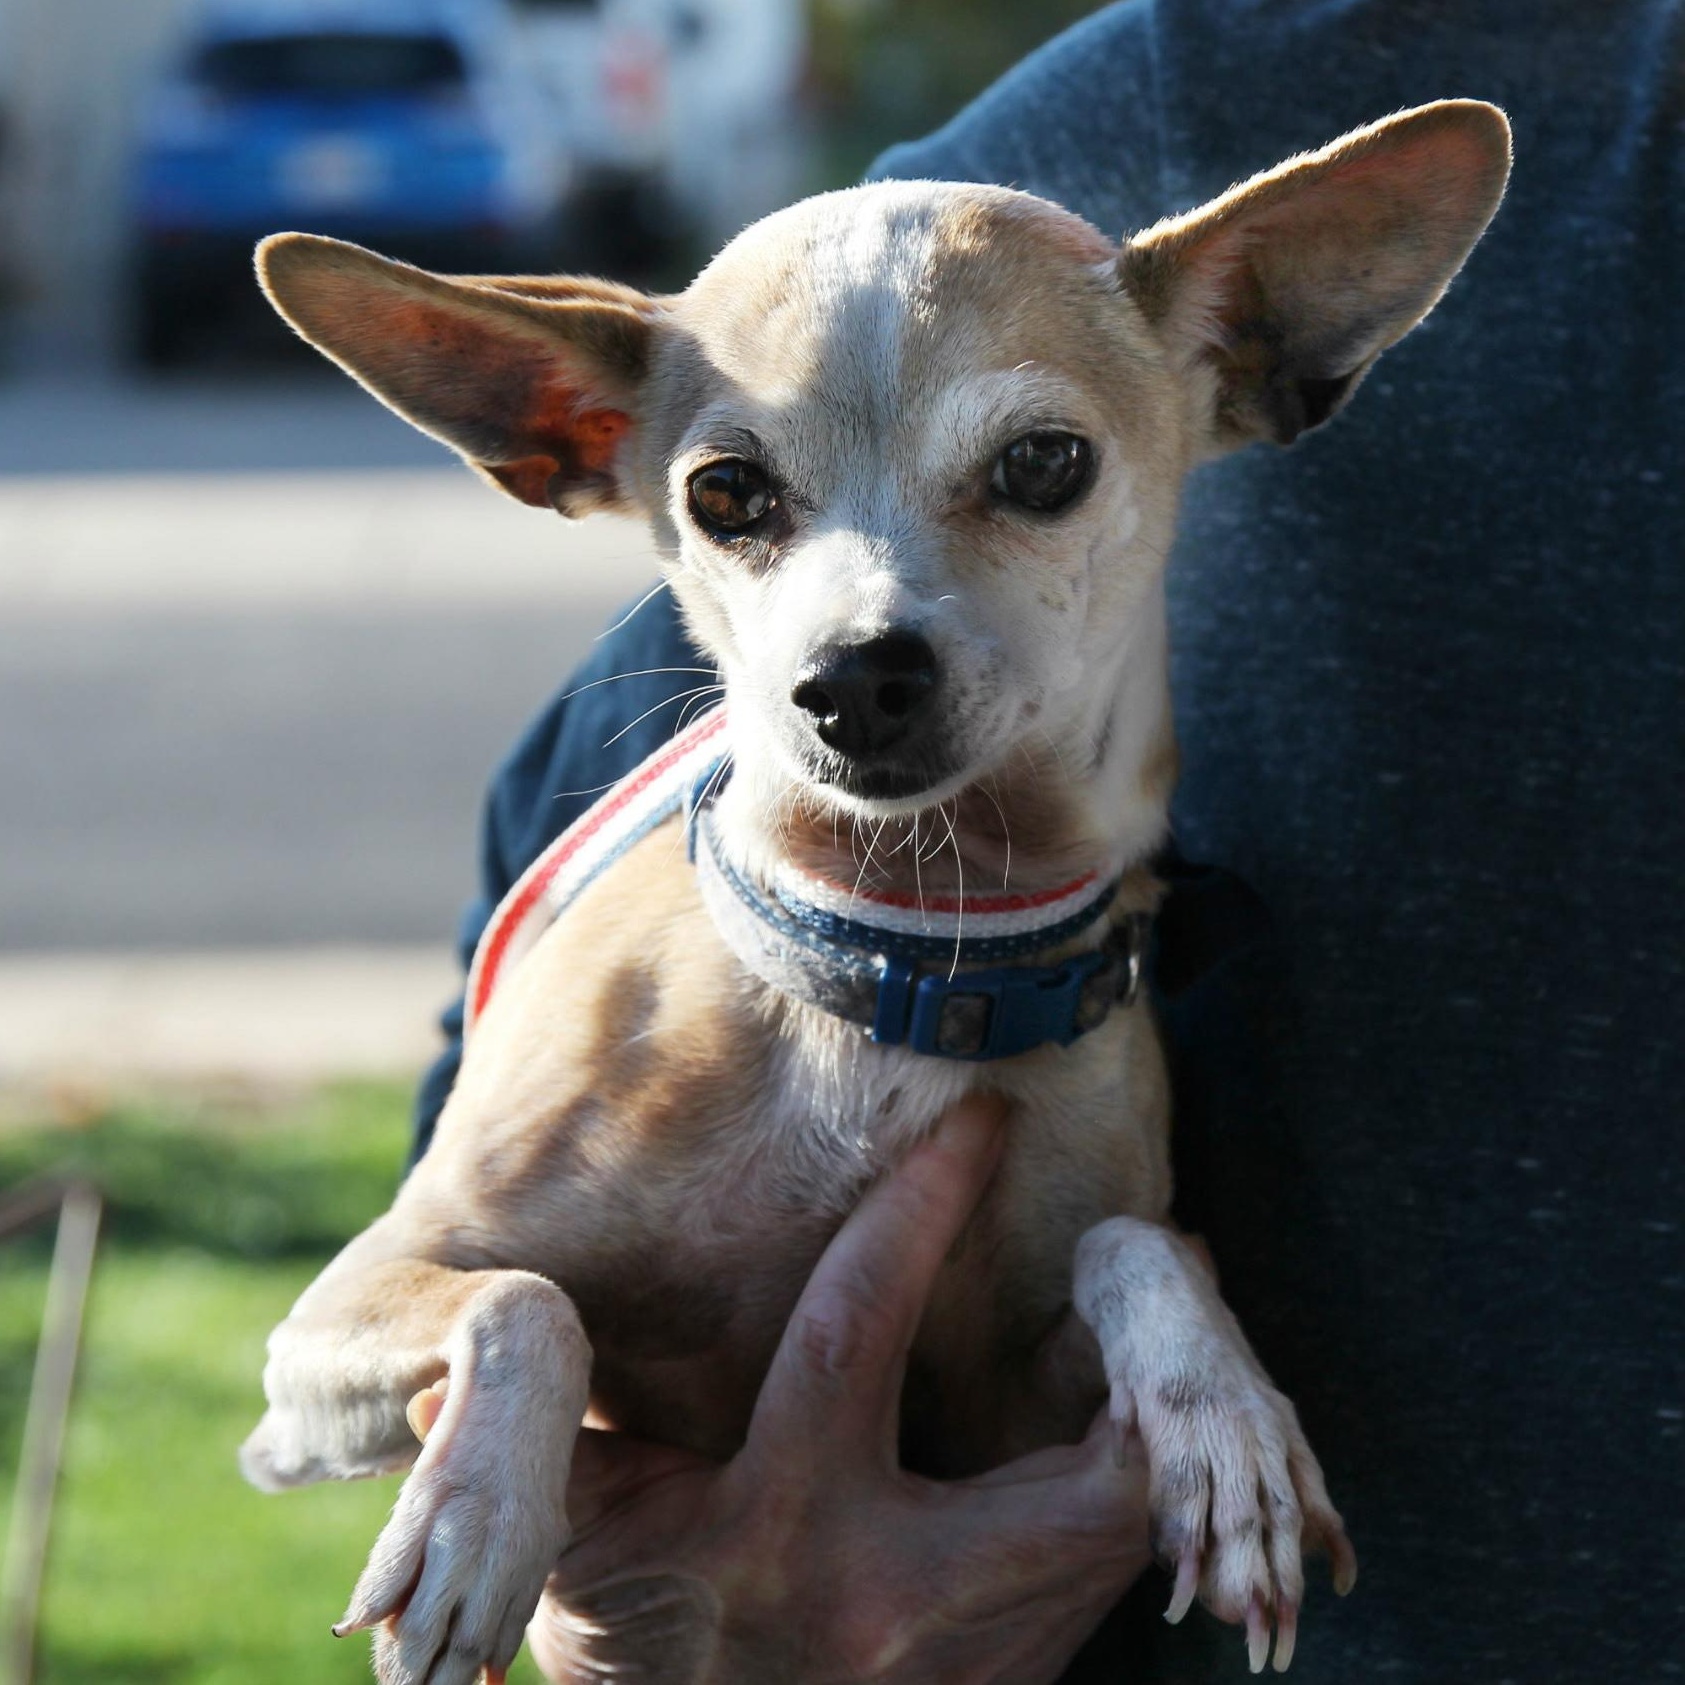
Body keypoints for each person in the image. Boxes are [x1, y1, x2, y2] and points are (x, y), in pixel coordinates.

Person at [409, 1, 1684, 1679]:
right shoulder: (1186, 109)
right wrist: (661, 1554)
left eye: (1028, 469)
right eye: (744, 502)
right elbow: (557, 900)